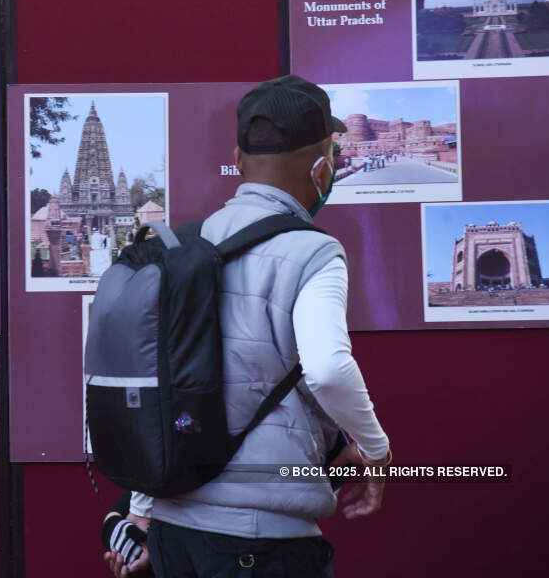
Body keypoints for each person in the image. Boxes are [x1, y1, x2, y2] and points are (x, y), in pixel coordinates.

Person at [140, 75, 392, 578]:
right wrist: (377, 450)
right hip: (258, 540)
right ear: (322, 168)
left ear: (238, 159)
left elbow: (161, 384)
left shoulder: (185, 247)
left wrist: (141, 511)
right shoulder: (314, 251)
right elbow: (327, 368)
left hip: (173, 528)